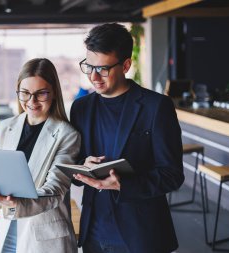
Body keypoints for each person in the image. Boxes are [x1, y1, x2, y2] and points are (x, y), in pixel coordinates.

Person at [70, 23, 184, 253]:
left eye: (103, 69)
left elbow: (172, 175)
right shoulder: (81, 108)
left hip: (141, 234)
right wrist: (81, 167)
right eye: (89, 66)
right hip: (94, 231)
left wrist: (124, 184)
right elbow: (74, 166)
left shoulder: (156, 107)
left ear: (126, 65)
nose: (94, 76)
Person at [0, 58, 80, 253]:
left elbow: (55, 190)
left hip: (44, 238)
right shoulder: (5, 128)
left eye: (41, 93)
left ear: (54, 92)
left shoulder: (67, 134)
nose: (31, 101)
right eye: (25, 93)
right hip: (7, 228)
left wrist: (16, 202)